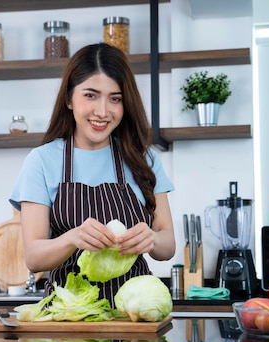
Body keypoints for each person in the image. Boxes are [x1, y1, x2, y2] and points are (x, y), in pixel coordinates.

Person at [9, 43, 175, 307]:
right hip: (68, 317)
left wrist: (152, 239)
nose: (102, 111)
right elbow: (34, 256)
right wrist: (73, 237)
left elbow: (168, 247)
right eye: (90, 95)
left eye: (115, 98)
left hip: (133, 315)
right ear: (68, 99)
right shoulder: (41, 161)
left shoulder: (143, 159)